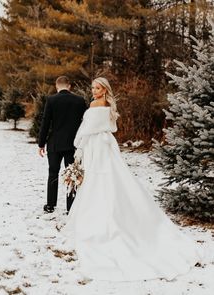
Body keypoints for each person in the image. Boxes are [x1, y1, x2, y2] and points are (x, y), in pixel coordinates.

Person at [62, 77, 202, 281]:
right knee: (110, 178)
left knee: (97, 179)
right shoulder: (109, 106)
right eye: (93, 87)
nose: (94, 91)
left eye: (97, 88)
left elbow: (86, 129)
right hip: (106, 144)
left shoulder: (94, 105)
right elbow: (110, 127)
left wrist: (79, 146)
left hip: (95, 145)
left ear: (104, 90)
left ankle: (99, 221)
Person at [38, 76, 87, 214]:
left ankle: (50, 205)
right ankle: (71, 207)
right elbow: (85, 123)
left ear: (56, 86)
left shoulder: (51, 100)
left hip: (55, 143)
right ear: (69, 86)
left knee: (53, 172)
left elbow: (45, 123)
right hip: (73, 144)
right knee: (72, 174)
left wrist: (41, 144)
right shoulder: (80, 101)